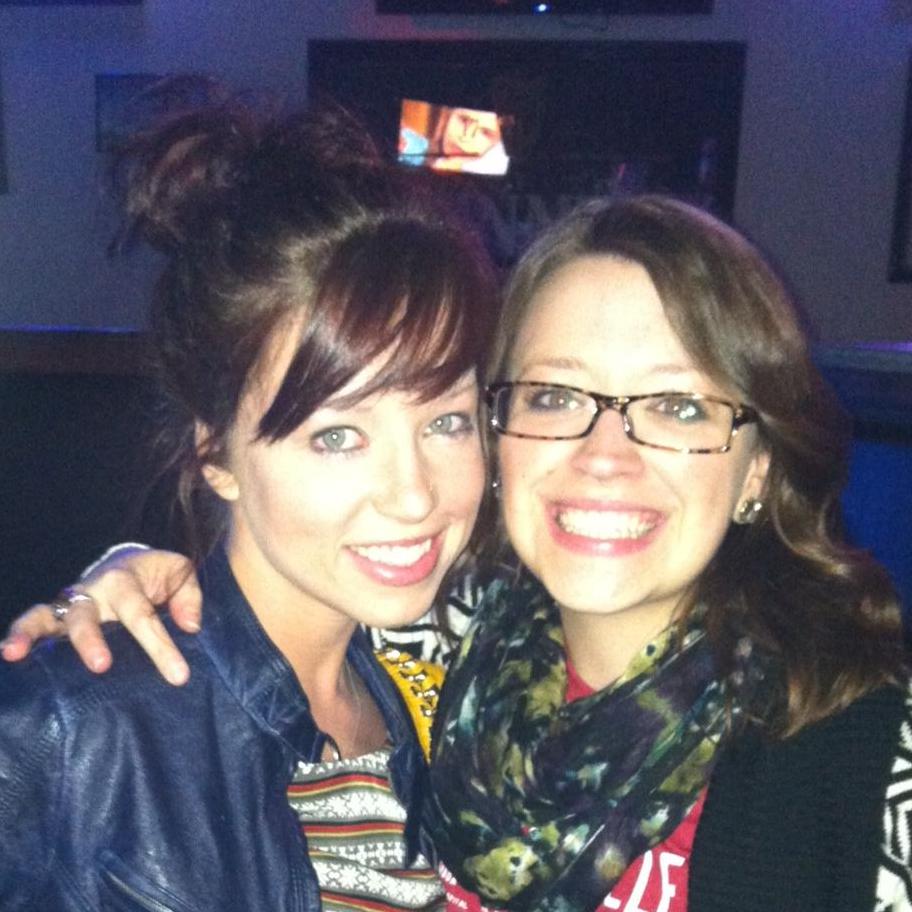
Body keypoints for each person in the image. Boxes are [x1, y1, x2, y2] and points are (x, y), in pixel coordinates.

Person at [5, 196, 910, 912]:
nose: (605, 458)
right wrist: (132, 587)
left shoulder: (871, 760)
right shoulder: (433, 655)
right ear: (505, 432)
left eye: (677, 407)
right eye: (555, 396)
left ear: (758, 466)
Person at [0, 96, 499, 912]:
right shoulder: (75, 724)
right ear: (217, 455)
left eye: (446, 421)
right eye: (337, 436)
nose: (415, 496)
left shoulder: (437, 694)